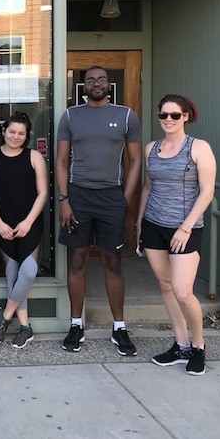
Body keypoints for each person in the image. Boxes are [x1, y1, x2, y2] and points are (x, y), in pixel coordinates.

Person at [56, 66, 142, 355]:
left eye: (101, 79)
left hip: (111, 197)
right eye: (90, 80)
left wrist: (124, 199)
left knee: (113, 261)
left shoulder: (126, 116)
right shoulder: (70, 116)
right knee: (78, 260)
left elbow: (135, 161)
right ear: (83, 86)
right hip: (78, 195)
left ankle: (119, 328)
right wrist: (63, 199)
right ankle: (76, 324)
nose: (96, 83)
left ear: (108, 84)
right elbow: (61, 161)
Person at [137, 95, 216, 375]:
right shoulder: (151, 148)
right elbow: (147, 187)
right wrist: (138, 224)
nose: (167, 120)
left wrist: (186, 227)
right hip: (153, 225)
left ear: (185, 116)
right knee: (166, 286)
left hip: (185, 228)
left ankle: (198, 346)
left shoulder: (199, 148)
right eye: (163, 115)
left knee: (183, 291)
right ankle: (180, 344)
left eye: (174, 115)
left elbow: (207, 191)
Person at [0, 112, 48, 348]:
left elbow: (43, 193)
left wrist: (27, 222)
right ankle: (25, 327)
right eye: (11, 131)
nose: (16, 136)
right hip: (2, 223)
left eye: (21, 133)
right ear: (3, 132)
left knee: (29, 271)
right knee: (13, 273)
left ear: (27, 136)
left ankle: (4, 316)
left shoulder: (34, 157)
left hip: (29, 222)